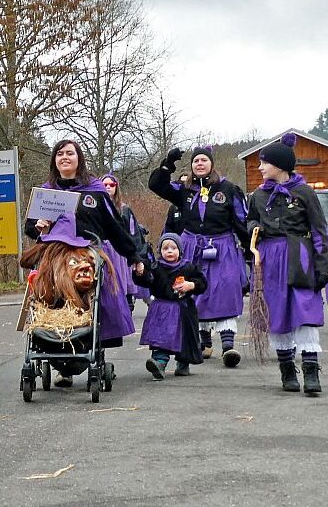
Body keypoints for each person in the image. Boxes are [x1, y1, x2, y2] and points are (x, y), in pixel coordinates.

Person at [24, 140, 144, 387]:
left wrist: (134, 256)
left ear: (79, 159)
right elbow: (30, 227)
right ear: (54, 161)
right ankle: (60, 364)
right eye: (60, 154)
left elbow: (115, 228)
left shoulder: (96, 191)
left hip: (87, 256)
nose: (64, 157)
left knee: (91, 297)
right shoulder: (46, 193)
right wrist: (39, 227)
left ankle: (88, 351)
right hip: (54, 258)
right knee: (53, 294)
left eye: (70, 153)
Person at [247, 134, 328, 395]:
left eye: (264, 163)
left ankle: (310, 370)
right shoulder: (258, 196)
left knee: (304, 311)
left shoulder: (304, 192)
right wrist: (254, 228)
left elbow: (319, 230)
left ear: (280, 165)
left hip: (300, 257)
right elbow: (249, 221)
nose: (260, 168)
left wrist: (323, 266)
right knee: (278, 312)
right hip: (271, 259)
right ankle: (287, 371)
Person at [149, 146, 249, 366]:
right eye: (196, 161)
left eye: (204, 160)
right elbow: (156, 185)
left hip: (222, 247)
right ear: (192, 166)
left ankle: (228, 346)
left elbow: (242, 220)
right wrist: (168, 164)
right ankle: (204, 343)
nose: (200, 164)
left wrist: (250, 250)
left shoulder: (229, 189)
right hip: (192, 246)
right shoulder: (184, 189)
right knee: (195, 292)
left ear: (211, 164)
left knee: (225, 290)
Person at [134, 232, 206, 380]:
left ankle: (183, 363)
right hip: (162, 309)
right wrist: (140, 273)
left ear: (180, 250)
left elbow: (203, 283)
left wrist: (190, 284)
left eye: (173, 248)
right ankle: (159, 364)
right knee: (161, 338)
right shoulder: (155, 267)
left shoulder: (188, 267)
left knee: (184, 337)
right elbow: (146, 280)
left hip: (183, 308)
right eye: (165, 248)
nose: (170, 251)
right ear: (160, 251)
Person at [101, 173, 150, 310]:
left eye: (111, 185)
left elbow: (133, 234)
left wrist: (136, 256)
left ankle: (126, 304)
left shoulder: (124, 209)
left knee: (121, 281)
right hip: (101, 250)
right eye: (105, 185)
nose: (108, 187)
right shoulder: (97, 208)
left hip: (119, 251)